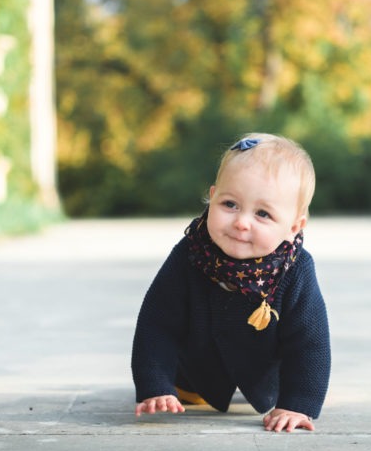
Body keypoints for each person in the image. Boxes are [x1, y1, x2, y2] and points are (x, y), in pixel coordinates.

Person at [131, 132, 331, 432]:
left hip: (265, 374)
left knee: (288, 364)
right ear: (212, 196)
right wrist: (155, 384)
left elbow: (310, 344)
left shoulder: (295, 270)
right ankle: (179, 387)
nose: (241, 222)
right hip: (193, 371)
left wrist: (297, 404)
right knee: (184, 382)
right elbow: (156, 323)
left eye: (263, 213)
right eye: (230, 204)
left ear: (294, 226)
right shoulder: (190, 254)